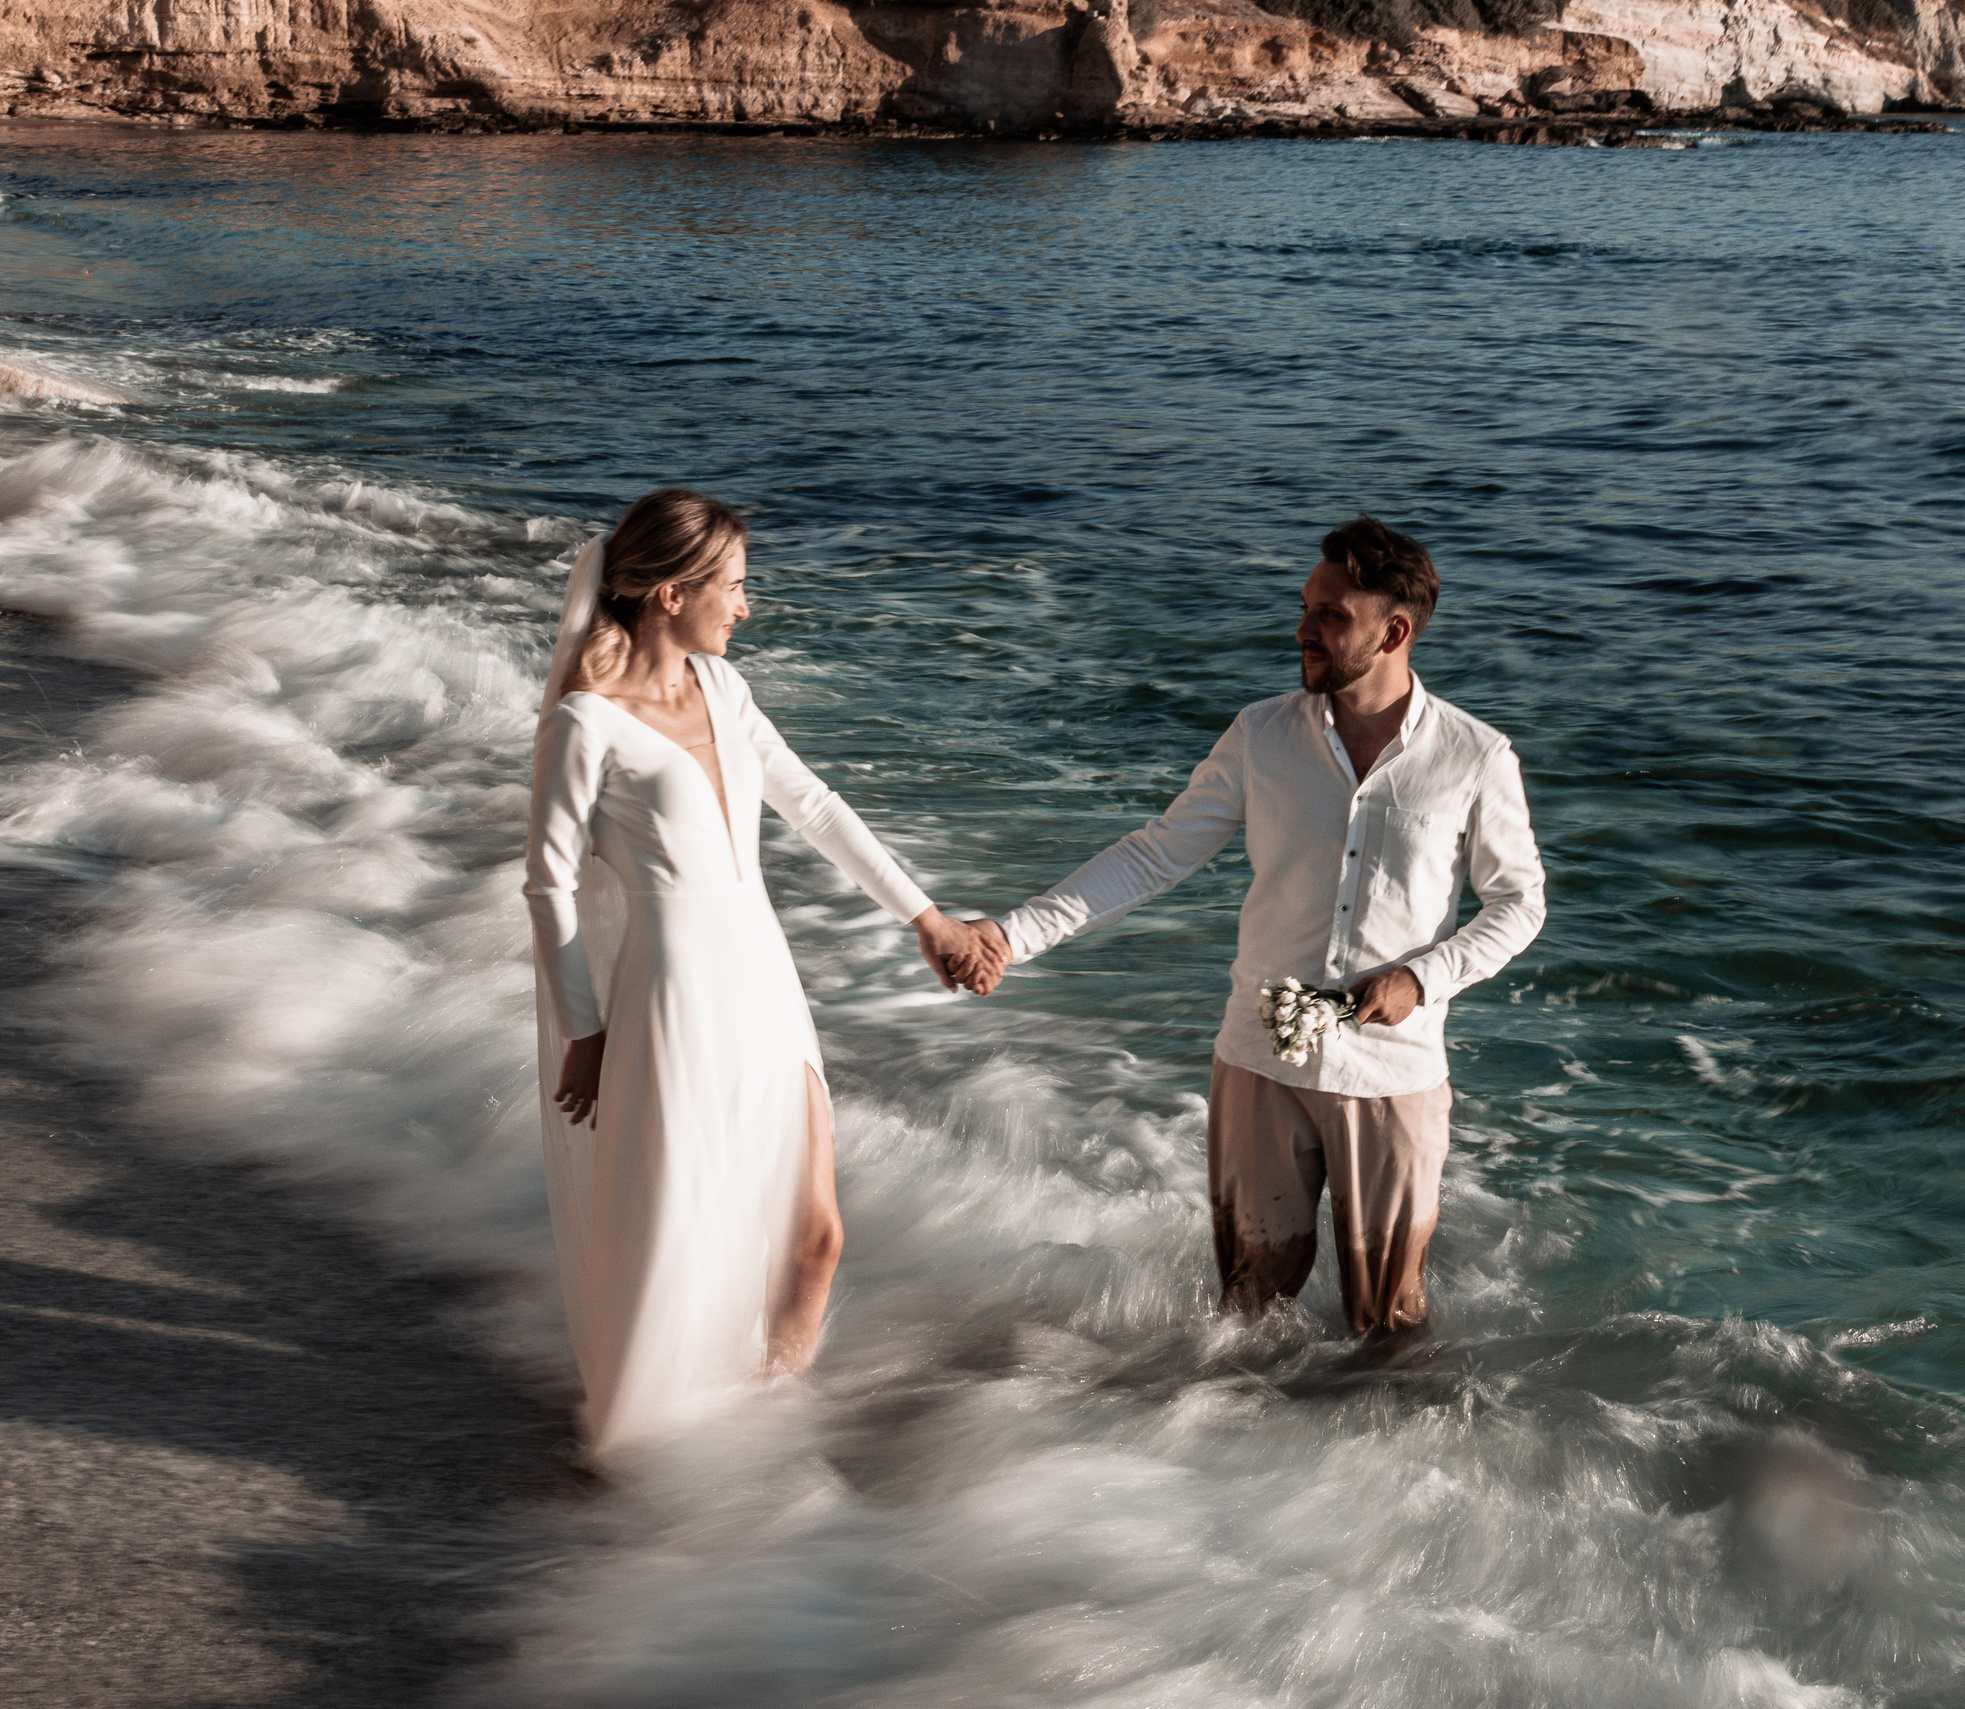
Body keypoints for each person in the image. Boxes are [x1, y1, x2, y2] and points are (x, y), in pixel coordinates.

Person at [950, 518, 1546, 1335]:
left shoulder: (1474, 756)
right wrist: (1010, 937)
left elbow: (1520, 903)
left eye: (1330, 614)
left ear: (1394, 631)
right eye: (1305, 606)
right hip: (1258, 1061)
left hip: (1391, 1075)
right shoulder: (1261, 735)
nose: (1302, 628)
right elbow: (1155, 855)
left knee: (1390, 1324)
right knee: (1247, 1311)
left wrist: (1422, 979)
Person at [526, 488, 987, 1457]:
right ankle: (658, 1449)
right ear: (667, 592)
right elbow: (549, 885)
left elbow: (813, 807)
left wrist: (928, 916)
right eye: (733, 585)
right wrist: (584, 1031)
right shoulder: (587, 723)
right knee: (685, 1235)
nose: (746, 604)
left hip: (766, 979)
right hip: (670, 995)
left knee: (817, 1239)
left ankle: (764, 1430)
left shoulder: (726, 691)